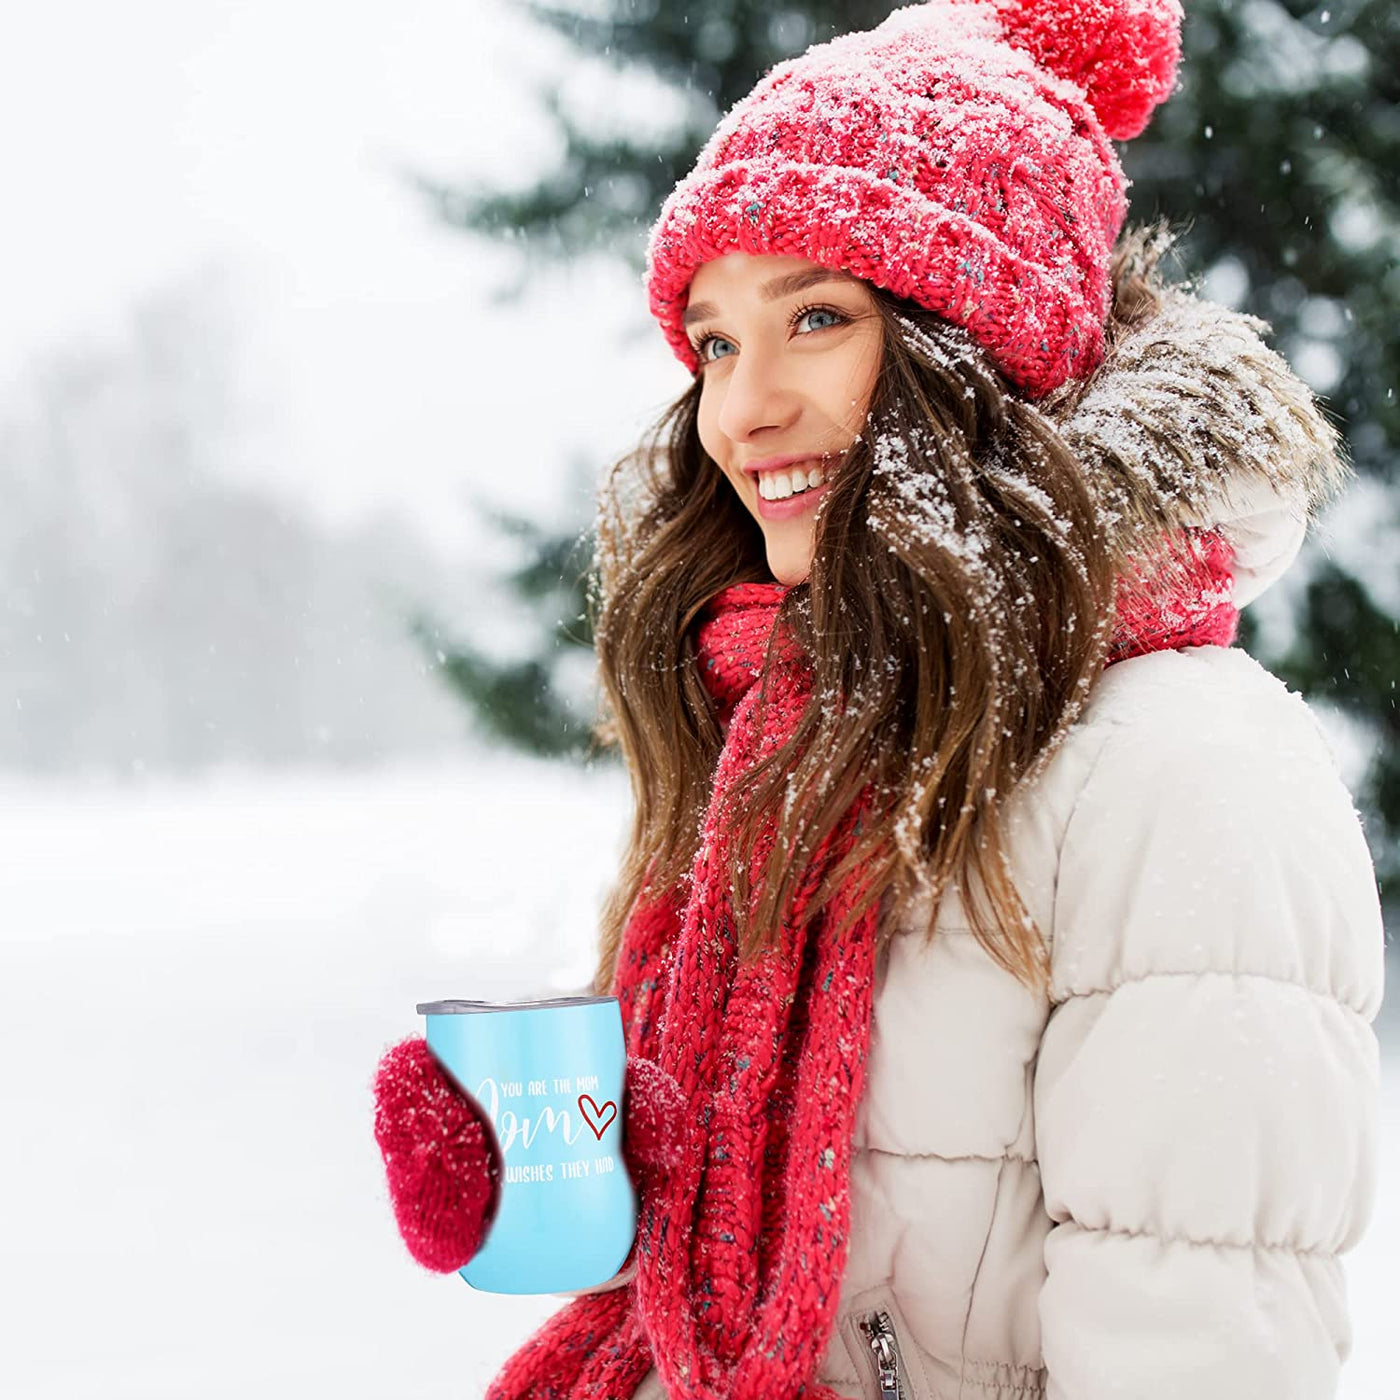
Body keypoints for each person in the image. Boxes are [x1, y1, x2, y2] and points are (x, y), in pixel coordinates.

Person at [372, 1, 1386, 1396]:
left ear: (983, 344)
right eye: (717, 344)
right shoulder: (796, 724)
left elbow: (1199, 1346)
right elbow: (819, 1247)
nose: (742, 410)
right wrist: (595, 1157)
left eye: (817, 319)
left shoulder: (1184, 768)